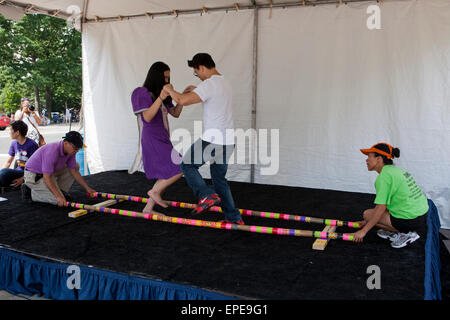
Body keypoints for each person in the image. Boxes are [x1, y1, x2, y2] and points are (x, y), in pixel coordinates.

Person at [163, 53, 244, 224]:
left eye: (196, 72)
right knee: (219, 180)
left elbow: (182, 100)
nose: (197, 75)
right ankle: (234, 218)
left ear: (201, 67)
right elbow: (213, 96)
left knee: (187, 164)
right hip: (228, 141)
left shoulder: (209, 85)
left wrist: (169, 89)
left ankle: (206, 195)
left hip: (213, 139)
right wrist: (198, 89)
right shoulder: (224, 82)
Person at [131, 61, 185, 213]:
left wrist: (182, 99)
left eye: (168, 78)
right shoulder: (141, 92)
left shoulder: (160, 96)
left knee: (167, 171)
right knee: (181, 165)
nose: (167, 81)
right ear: (156, 77)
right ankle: (154, 192)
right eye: (165, 78)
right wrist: (161, 97)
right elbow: (146, 117)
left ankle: (148, 207)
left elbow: (176, 113)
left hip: (162, 137)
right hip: (152, 138)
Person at [352, 143, 429, 248]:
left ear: (379, 159)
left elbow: (380, 208)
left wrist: (363, 231)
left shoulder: (384, 177)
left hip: (410, 220)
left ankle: (406, 234)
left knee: (367, 215)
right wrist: (367, 222)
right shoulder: (396, 170)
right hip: (421, 214)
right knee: (369, 218)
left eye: (369, 156)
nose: (366, 160)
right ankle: (398, 230)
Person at [22, 131, 96, 206]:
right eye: (75, 148)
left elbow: (74, 170)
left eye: (78, 149)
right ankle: (30, 192)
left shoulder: (70, 151)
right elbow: (47, 177)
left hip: (48, 173)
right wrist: (58, 196)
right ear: (66, 143)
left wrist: (87, 188)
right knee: (58, 201)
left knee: (76, 166)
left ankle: (60, 190)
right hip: (34, 176)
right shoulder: (52, 152)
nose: (76, 151)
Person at [0, 120, 39, 189]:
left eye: (11, 130)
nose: (9, 132)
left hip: (28, 173)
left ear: (17, 132)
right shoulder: (14, 143)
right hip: (18, 172)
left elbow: (37, 166)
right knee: (3, 174)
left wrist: (23, 179)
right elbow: (8, 162)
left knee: (4, 173)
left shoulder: (32, 144)